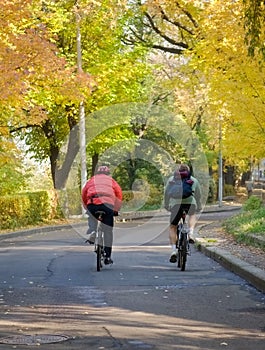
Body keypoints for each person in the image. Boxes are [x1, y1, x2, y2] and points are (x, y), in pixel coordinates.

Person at [81, 165, 122, 265]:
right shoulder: (111, 181)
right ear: (108, 174)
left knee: (91, 215)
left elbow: (84, 194)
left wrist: (87, 208)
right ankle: (107, 256)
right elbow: (119, 195)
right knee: (108, 231)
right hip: (107, 205)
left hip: (93, 203)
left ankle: (93, 231)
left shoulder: (91, 180)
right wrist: (116, 210)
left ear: (97, 173)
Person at [164, 163, 202, 263]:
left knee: (173, 226)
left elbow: (166, 193)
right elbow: (198, 195)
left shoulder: (172, 180)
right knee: (192, 215)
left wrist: (166, 205)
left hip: (176, 205)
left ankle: (173, 251)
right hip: (190, 203)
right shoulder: (193, 180)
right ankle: (191, 233)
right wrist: (198, 205)